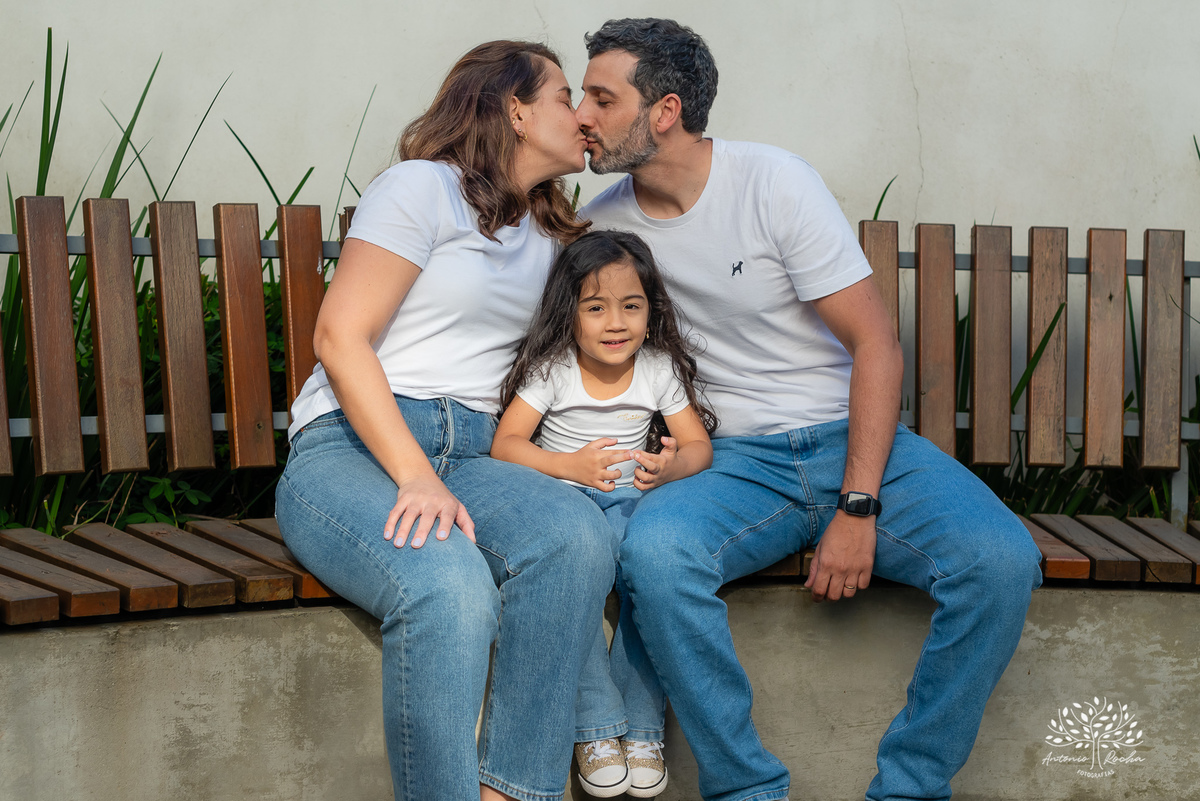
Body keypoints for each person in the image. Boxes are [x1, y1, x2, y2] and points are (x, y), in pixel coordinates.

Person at [574, 18, 1043, 801]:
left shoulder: (772, 182)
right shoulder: (606, 223)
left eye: (600, 96)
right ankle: (747, 788)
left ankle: (911, 786)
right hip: (733, 465)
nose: (582, 114)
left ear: (664, 110)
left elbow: (876, 343)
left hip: (852, 441)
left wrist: (858, 503)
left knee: (1000, 562)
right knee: (655, 557)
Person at [275, 41, 616, 801]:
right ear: (515, 111)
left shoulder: (549, 231)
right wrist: (414, 473)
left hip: (474, 454)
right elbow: (339, 336)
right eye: (567, 97)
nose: (584, 116)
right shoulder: (422, 189)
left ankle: (512, 791)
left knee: (578, 536)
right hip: (354, 446)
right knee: (450, 589)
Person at [492, 229, 716, 798]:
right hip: (568, 502)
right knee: (573, 586)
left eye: (631, 306)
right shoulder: (554, 370)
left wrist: (670, 470)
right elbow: (508, 445)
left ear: (650, 311)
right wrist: (567, 467)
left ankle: (642, 731)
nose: (615, 323)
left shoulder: (658, 368)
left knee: (651, 586)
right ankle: (594, 729)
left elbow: (697, 448)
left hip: (636, 504)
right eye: (596, 308)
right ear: (569, 315)